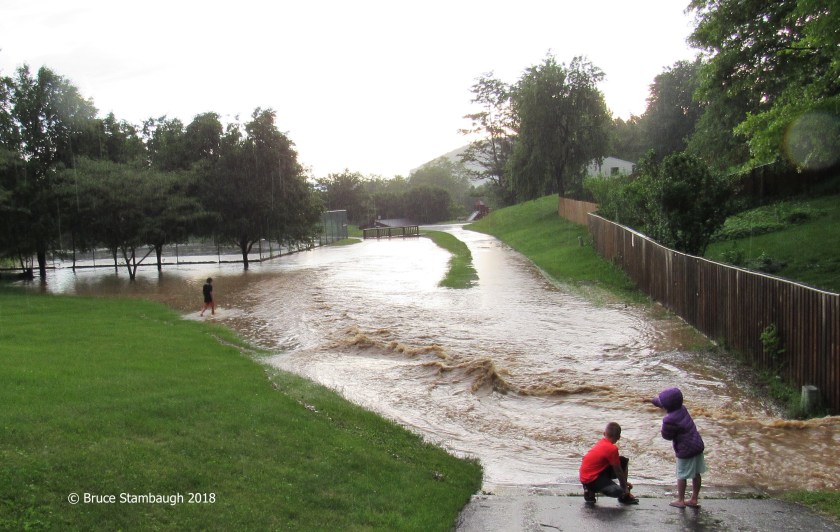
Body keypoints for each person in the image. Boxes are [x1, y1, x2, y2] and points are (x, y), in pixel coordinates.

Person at [647, 387, 706, 509]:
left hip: (685, 450)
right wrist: (650, 400)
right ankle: (694, 499)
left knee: (681, 475)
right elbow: (663, 403)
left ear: (667, 406)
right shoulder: (682, 409)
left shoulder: (669, 419)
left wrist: (663, 429)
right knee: (696, 473)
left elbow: (667, 436)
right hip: (697, 445)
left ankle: (680, 500)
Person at [579, 422, 639, 505]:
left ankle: (588, 489)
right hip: (591, 479)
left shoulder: (601, 442)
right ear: (618, 437)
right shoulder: (612, 449)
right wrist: (625, 489)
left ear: (604, 434)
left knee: (623, 460)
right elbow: (618, 471)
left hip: (585, 476)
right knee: (618, 491)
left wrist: (624, 483)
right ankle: (623, 496)